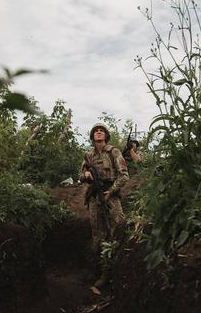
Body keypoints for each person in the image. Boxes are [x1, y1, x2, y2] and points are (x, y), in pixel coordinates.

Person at [79, 123, 129, 290]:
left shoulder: (113, 151)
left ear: (106, 135)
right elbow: (80, 176)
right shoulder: (88, 155)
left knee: (118, 229)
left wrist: (111, 191)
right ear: (93, 136)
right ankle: (103, 272)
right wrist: (85, 175)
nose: (98, 132)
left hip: (111, 196)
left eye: (101, 130)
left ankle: (120, 271)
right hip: (94, 198)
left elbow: (124, 176)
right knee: (98, 236)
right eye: (95, 131)